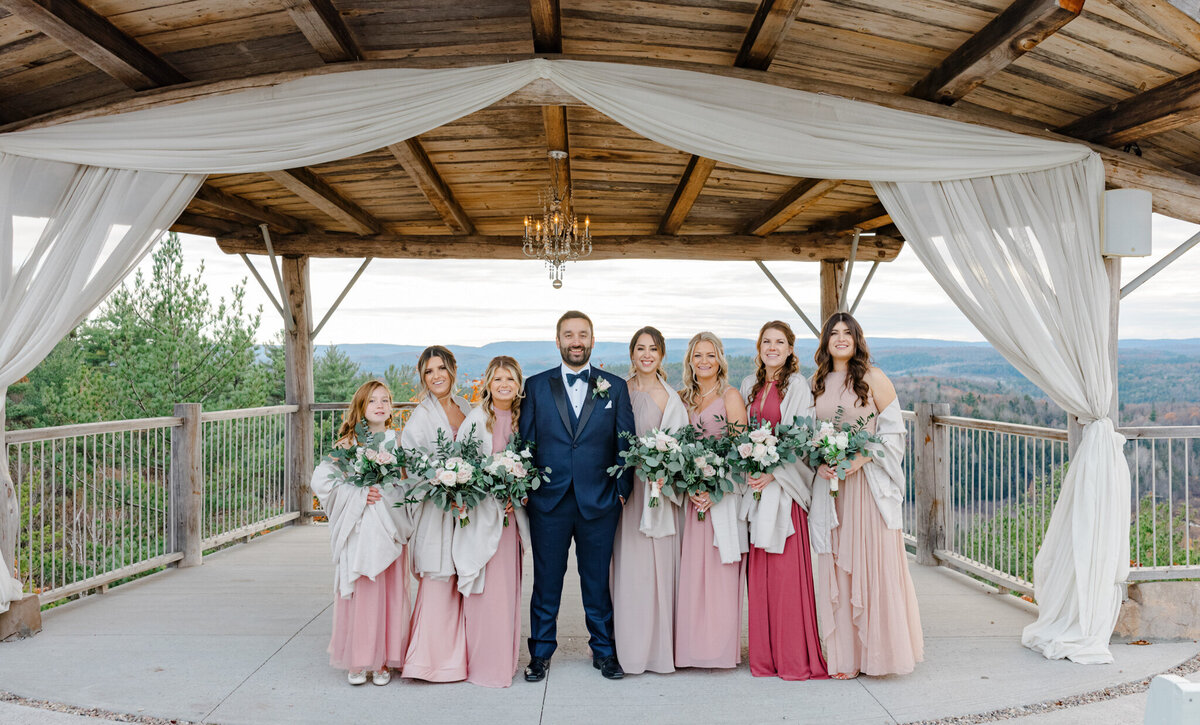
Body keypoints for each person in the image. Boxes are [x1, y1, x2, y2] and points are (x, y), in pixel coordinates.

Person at [519, 311, 635, 681]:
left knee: (597, 581)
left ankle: (604, 651)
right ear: (558, 341)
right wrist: (528, 491)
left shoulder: (615, 387)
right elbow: (526, 443)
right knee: (547, 581)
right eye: (568, 334)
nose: (575, 340)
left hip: (599, 501)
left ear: (592, 340)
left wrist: (621, 491)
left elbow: (625, 444)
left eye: (582, 334)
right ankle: (539, 653)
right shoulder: (536, 386)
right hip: (548, 503)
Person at [809, 312, 923, 678]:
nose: (841, 338)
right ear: (825, 340)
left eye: (848, 333)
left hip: (866, 487)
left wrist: (861, 458)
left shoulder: (873, 378)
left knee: (870, 566)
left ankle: (880, 655)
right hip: (833, 489)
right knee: (838, 567)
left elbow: (893, 433)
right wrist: (820, 462)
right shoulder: (818, 381)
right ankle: (846, 657)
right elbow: (810, 432)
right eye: (834, 333)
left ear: (857, 339)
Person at [739, 321, 828, 680]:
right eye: (766, 341)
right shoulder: (749, 385)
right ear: (759, 347)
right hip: (757, 489)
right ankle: (765, 657)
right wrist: (749, 463)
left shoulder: (798, 387)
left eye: (779, 342)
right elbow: (742, 432)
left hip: (784, 489)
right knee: (760, 575)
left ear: (791, 349)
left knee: (785, 576)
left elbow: (799, 437)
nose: (772, 347)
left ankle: (793, 656)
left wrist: (773, 472)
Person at [311, 380, 413, 686]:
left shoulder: (399, 442)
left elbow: (410, 480)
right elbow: (322, 481)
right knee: (364, 592)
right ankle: (360, 658)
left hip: (391, 524)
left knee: (390, 592)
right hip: (362, 529)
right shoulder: (348, 445)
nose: (380, 405)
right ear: (361, 407)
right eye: (372, 401)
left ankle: (382, 659)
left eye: (385, 400)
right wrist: (357, 493)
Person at [610, 326, 688, 675]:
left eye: (652, 349)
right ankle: (627, 648)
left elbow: (682, 446)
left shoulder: (671, 398)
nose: (646, 355)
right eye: (640, 348)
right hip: (626, 494)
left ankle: (658, 650)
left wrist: (665, 471)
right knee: (627, 569)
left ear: (661, 355)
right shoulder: (617, 391)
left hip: (658, 492)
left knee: (656, 568)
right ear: (632, 354)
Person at [453, 356, 531, 688]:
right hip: (483, 516)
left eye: (510, 379)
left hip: (511, 520)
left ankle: (504, 661)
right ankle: (483, 663)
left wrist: (520, 493)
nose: (504, 385)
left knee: (507, 591)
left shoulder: (523, 420)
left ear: (519, 385)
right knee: (485, 592)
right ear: (487, 383)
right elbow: (461, 471)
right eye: (497, 379)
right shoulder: (474, 420)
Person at [674, 331, 748, 669]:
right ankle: (689, 649)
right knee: (689, 574)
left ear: (720, 359)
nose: (704, 361)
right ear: (690, 360)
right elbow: (672, 446)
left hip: (720, 497)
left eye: (711, 355)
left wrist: (713, 486)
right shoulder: (682, 399)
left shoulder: (730, 397)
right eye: (698, 355)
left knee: (720, 572)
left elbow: (741, 450)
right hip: (690, 498)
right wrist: (690, 484)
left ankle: (718, 650)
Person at [402, 345, 472, 683]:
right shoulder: (421, 417)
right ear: (423, 377)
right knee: (439, 579)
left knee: (464, 580)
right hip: (437, 510)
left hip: (467, 508)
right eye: (429, 371)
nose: (436, 376)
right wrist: (444, 484)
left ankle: (462, 658)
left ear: (453, 370)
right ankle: (427, 662)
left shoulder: (467, 407)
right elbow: (413, 468)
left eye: (441, 368)